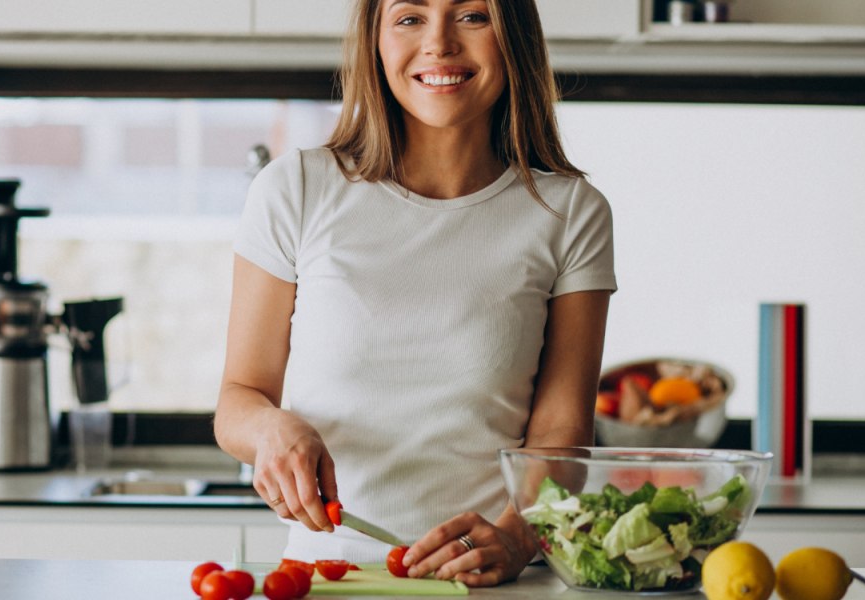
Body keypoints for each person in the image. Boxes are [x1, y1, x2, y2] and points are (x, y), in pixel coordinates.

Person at [214, 0, 616, 587]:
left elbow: (561, 429)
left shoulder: (569, 212)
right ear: (375, 41)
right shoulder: (296, 188)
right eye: (410, 18)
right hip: (327, 575)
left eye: (473, 16)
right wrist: (272, 430)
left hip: (489, 580)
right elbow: (239, 398)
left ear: (515, 39)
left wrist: (517, 535)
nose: (439, 44)